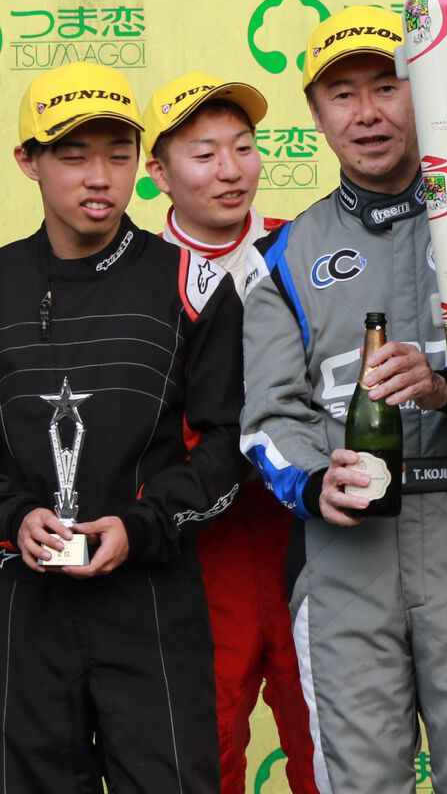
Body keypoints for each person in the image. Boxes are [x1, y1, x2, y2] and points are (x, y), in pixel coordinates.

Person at [240, 7, 447, 794]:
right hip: (340, 559)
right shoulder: (282, 258)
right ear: (316, 116)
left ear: (425, 89)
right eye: (342, 95)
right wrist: (315, 481)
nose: (367, 112)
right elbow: (268, 421)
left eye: (387, 86)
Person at [1, 61, 247, 791]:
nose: (99, 177)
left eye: (117, 154)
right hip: (21, 604)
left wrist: (141, 527)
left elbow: (230, 446)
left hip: (151, 599)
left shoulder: (194, 283)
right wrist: (14, 516)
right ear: (28, 162)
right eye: (73, 156)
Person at [142, 72, 319, 794]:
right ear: (159, 174)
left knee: (324, 733)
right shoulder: (138, 276)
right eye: (204, 153)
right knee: (205, 742)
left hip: (309, 529)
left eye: (243, 147)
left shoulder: (303, 246)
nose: (230, 170)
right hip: (197, 543)